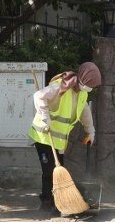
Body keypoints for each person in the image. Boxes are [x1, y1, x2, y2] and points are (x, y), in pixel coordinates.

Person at [29, 62, 100, 213]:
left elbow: (84, 112)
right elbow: (39, 96)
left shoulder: (82, 93)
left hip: (59, 140)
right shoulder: (61, 86)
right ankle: (46, 203)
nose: (88, 89)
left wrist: (91, 131)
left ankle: (58, 202)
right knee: (49, 171)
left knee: (59, 170)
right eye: (88, 85)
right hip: (43, 135)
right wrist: (45, 117)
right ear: (82, 79)